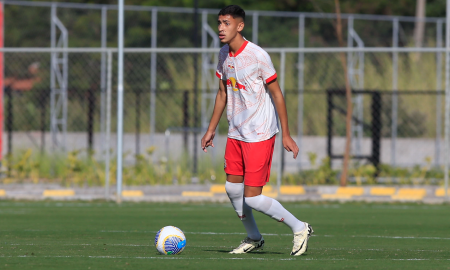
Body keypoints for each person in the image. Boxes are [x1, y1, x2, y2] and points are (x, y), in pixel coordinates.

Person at [201, 5, 313, 256]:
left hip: (260, 133)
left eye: (226, 23)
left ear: (240, 26)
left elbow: (276, 93)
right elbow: (222, 93)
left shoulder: (258, 55)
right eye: (219, 22)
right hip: (235, 133)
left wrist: (285, 133)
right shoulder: (223, 54)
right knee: (231, 189)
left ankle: (300, 227)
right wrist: (210, 130)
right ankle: (254, 237)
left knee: (252, 198)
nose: (221, 28)